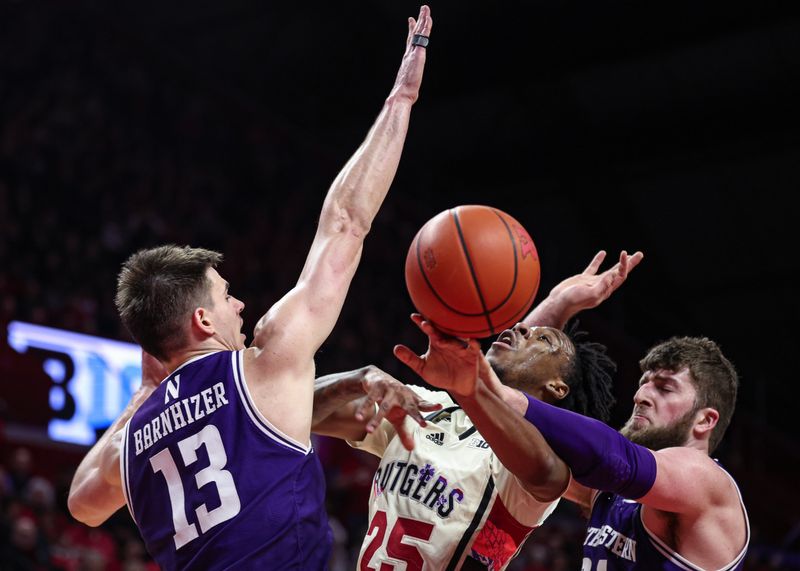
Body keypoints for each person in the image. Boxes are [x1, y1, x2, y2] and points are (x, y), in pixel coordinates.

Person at [66, 7, 434, 569]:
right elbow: (345, 223)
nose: (239, 303)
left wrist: (142, 399)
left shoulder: (132, 439)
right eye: (224, 294)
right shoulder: (263, 363)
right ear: (203, 322)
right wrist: (400, 101)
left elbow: (82, 503)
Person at [397, 264, 750, 570]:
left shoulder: (706, 482)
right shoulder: (610, 491)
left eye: (665, 388)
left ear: (705, 421)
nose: (641, 396)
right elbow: (519, 424)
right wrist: (559, 305)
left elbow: (613, 457)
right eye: (644, 384)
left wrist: (499, 393)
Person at [312, 250, 642, 570]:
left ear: (557, 388)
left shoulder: (529, 456)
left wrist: (468, 388)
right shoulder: (428, 406)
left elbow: (545, 473)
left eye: (543, 341)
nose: (520, 329)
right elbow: (291, 409)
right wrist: (358, 379)